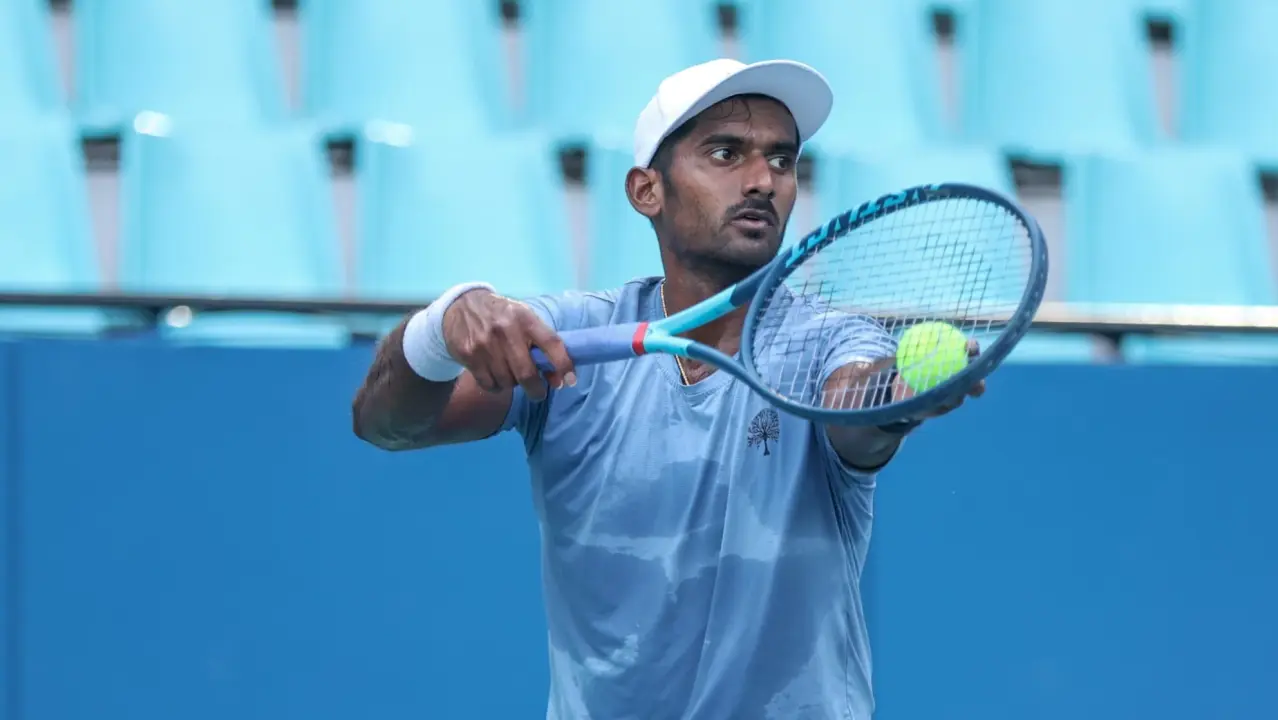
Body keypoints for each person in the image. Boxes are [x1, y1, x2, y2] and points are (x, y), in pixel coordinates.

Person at [352, 58, 983, 720]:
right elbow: (385, 424)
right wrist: (441, 326)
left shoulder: (832, 342)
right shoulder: (571, 335)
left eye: (782, 160)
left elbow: (854, 403)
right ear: (646, 190)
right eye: (726, 153)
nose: (762, 181)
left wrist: (897, 390)